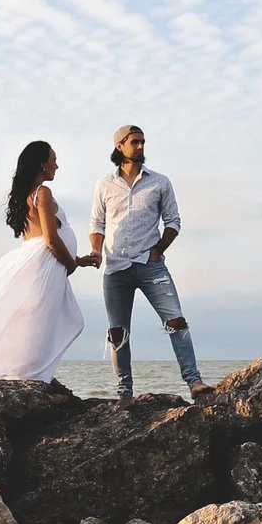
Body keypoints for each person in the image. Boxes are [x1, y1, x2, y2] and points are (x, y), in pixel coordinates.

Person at [0, 140, 97, 381]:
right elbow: (50, 239)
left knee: (30, 317)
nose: (57, 166)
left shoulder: (26, 195)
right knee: (36, 320)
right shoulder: (42, 193)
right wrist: (70, 265)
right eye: (53, 160)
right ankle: (27, 374)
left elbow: (43, 240)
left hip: (40, 262)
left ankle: (24, 372)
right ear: (42, 164)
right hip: (43, 265)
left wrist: (79, 259)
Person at [90, 124, 209, 404]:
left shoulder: (160, 182)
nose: (141, 147)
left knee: (176, 321)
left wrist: (159, 249)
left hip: (151, 265)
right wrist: (96, 251)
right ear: (120, 146)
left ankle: (194, 382)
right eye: (135, 142)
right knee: (117, 332)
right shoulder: (104, 184)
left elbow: (173, 221)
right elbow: (97, 223)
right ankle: (125, 394)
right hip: (116, 268)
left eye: (143, 142)